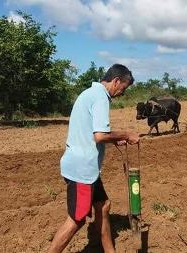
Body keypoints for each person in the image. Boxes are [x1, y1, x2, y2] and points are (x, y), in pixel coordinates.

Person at [48, 64, 140, 253]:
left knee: (103, 206)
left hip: (87, 168)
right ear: (116, 81)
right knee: (77, 219)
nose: (121, 93)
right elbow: (99, 135)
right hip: (83, 170)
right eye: (123, 88)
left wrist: (113, 140)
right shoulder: (100, 98)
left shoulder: (90, 94)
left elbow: (93, 134)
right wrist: (126, 134)